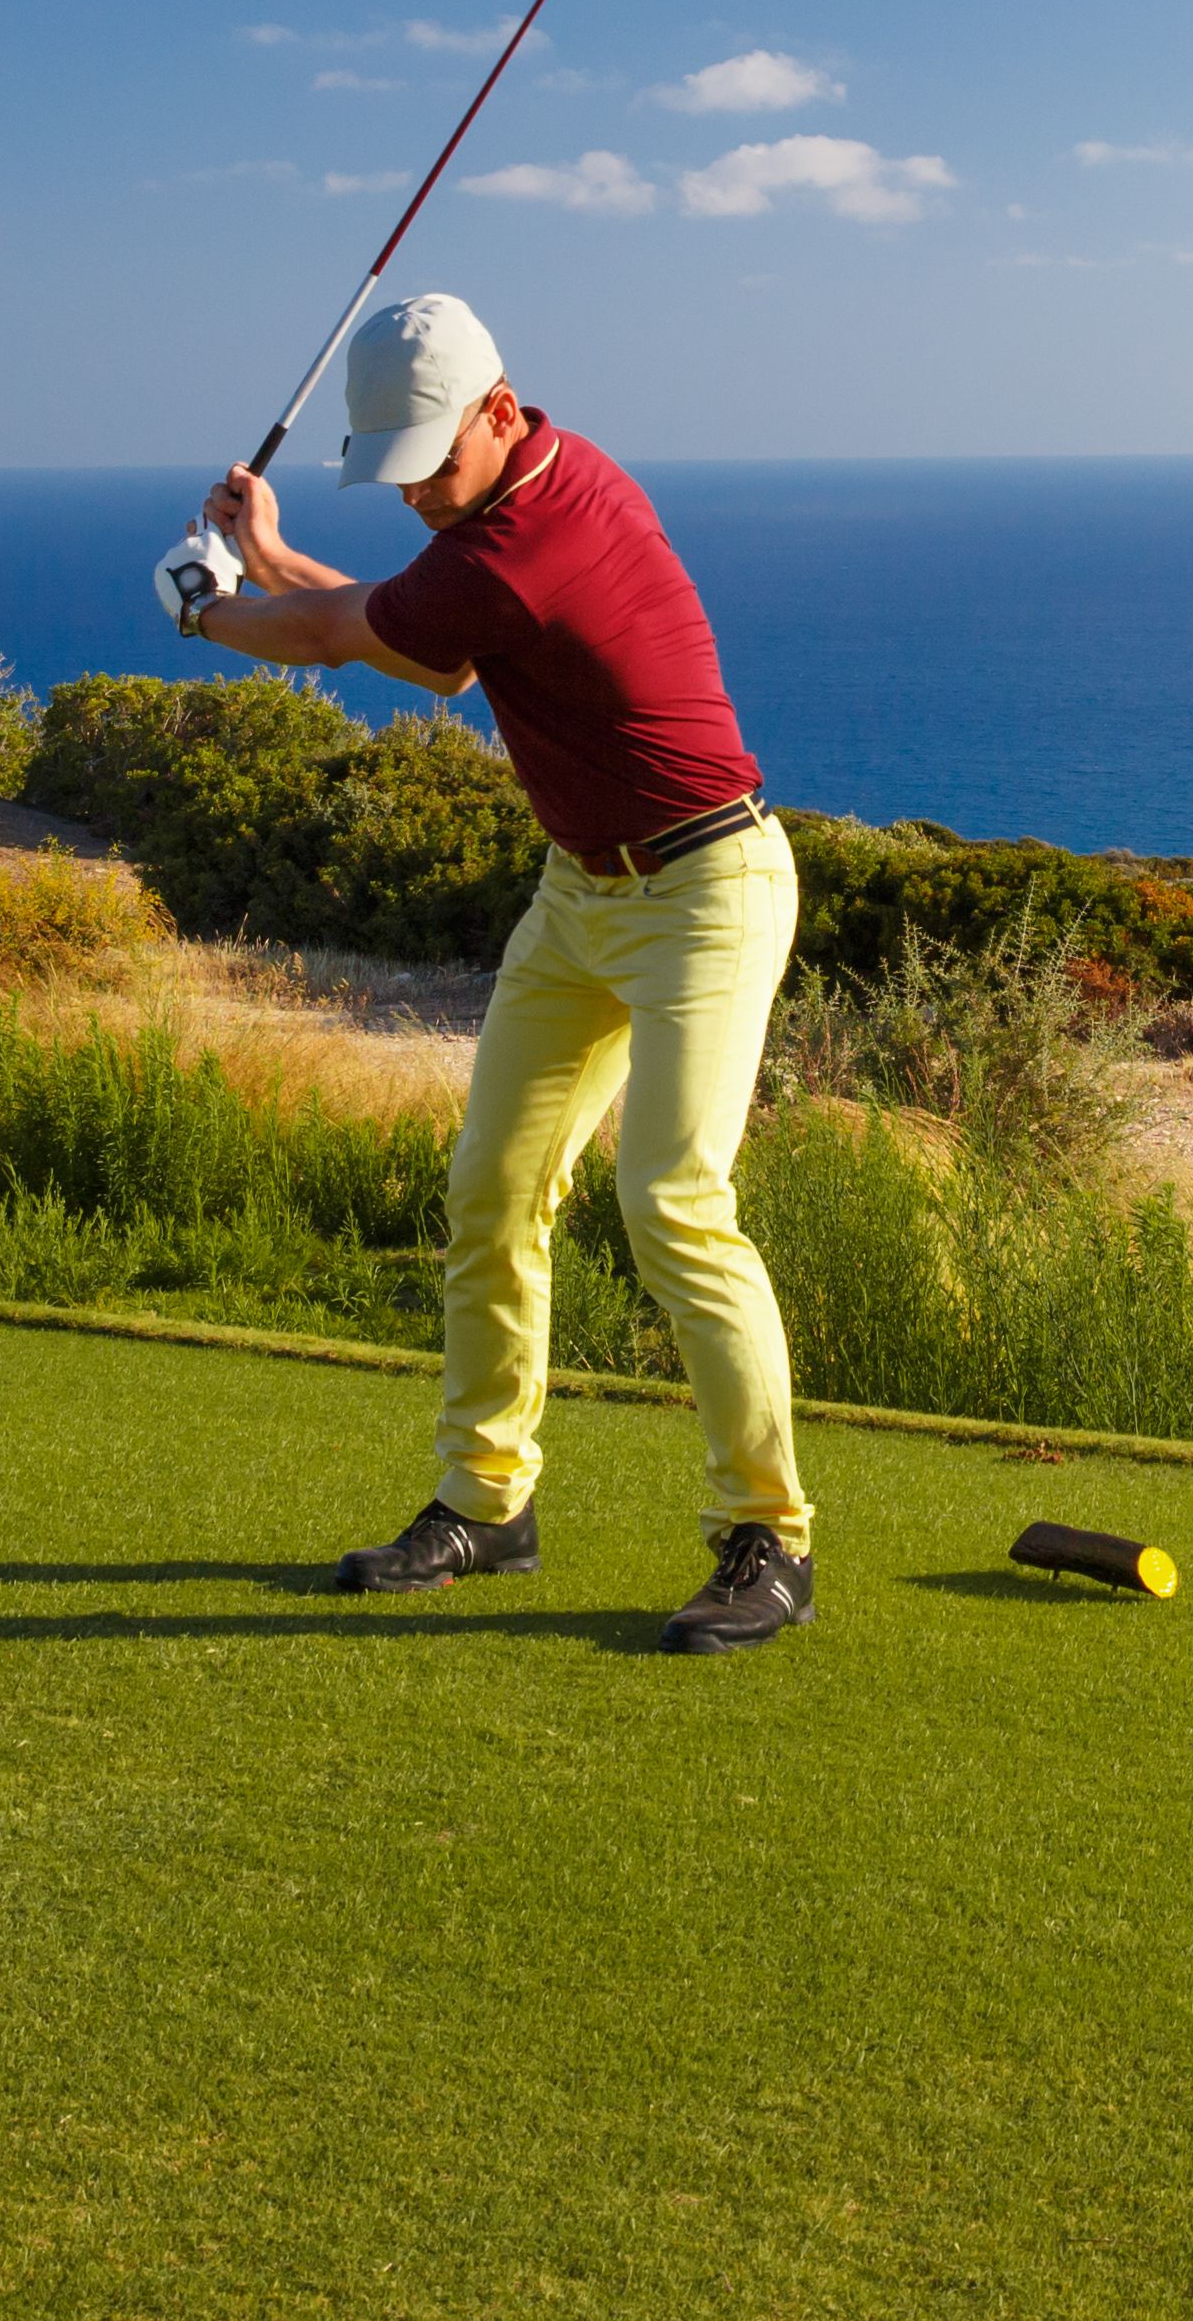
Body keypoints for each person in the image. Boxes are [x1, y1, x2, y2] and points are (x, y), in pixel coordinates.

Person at [165, 294, 816, 1655]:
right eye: (394, 472)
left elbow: (365, 638)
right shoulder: (512, 503)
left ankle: (767, 1541)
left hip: (708, 889)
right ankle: (488, 1506)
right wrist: (273, 556)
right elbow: (399, 627)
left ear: (503, 414)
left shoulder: (526, 541)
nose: (415, 497)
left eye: (431, 467)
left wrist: (208, 613)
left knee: (674, 1201)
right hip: (580, 895)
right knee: (494, 1190)